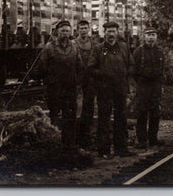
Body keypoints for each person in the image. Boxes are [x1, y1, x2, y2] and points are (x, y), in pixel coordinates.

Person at [88, 20, 135, 158]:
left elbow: (132, 64)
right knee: (104, 118)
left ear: (117, 33)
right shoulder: (98, 49)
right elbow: (90, 68)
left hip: (120, 88)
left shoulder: (124, 48)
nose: (111, 34)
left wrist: (127, 73)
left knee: (121, 118)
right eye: (108, 32)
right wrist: (104, 74)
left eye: (113, 31)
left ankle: (122, 149)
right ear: (104, 33)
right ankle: (104, 150)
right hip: (104, 89)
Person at [36, 19, 82, 149]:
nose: (65, 34)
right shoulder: (49, 47)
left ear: (70, 32)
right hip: (55, 87)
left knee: (70, 115)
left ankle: (70, 144)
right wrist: (50, 79)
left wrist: (77, 83)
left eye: (67, 31)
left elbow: (80, 66)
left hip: (70, 87)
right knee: (55, 114)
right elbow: (42, 68)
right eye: (62, 31)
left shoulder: (74, 47)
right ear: (57, 32)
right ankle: (55, 143)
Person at [131, 28, 165, 149]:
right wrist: (139, 83)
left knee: (155, 112)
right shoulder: (138, 51)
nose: (151, 37)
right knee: (142, 112)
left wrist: (160, 85)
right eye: (149, 35)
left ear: (156, 37)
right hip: (143, 85)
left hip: (156, 84)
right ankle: (142, 140)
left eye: (153, 35)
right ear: (144, 37)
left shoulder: (160, 51)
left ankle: (153, 138)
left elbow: (162, 69)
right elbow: (133, 70)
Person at [74, 20, 100, 148]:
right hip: (77, 78)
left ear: (89, 29)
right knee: (76, 105)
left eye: (85, 28)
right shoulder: (73, 43)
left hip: (90, 78)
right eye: (81, 28)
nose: (83, 30)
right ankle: (76, 136)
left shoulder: (94, 43)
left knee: (89, 105)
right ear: (77, 29)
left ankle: (86, 134)